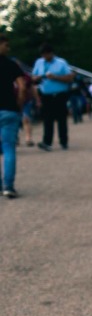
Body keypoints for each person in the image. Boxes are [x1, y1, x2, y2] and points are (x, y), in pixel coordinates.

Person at [0, 33, 29, 198]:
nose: (7, 48)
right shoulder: (11, 64)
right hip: (8, 109)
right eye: (5, 45)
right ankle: (8, 186)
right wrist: (19, 104)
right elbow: (22, 86)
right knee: (9, 148)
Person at [31, 42, 72, 151]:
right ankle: (47, 142)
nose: (44, 57)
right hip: (46, 94)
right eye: (43, 55)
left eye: (46, 54)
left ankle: (63, 141)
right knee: (47, 119)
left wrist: (55, 77)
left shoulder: (61, 63)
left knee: (61, 118)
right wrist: (36, 78)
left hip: (59, 94)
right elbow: (33, 76)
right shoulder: (39, 62)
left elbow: (69, 78)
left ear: (51, 53)